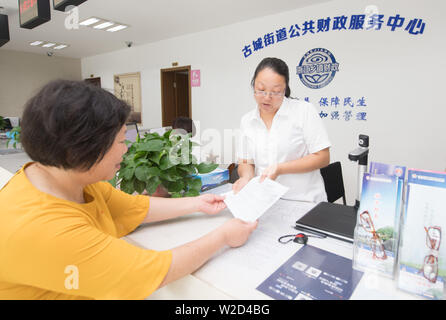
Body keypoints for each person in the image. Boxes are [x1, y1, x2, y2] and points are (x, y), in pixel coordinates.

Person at [0, 80, 257, 300]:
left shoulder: (67, 180)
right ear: (81, 147)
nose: (126, 149)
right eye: (122, 140)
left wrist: (197, 203)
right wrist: (223, 236)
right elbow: (149, 271)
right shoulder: (46, 230)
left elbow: (135, 207)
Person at [233, 57, 331, 202]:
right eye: (261, 90)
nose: (267, 97)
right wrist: (246, 177)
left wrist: (280, 169)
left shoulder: (303, 111)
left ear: (285, 89)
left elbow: (323, 157)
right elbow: (245, 161)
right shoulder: (247, 120)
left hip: (305, 202)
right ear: (253, 85)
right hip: (265, 202)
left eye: (276, 92)